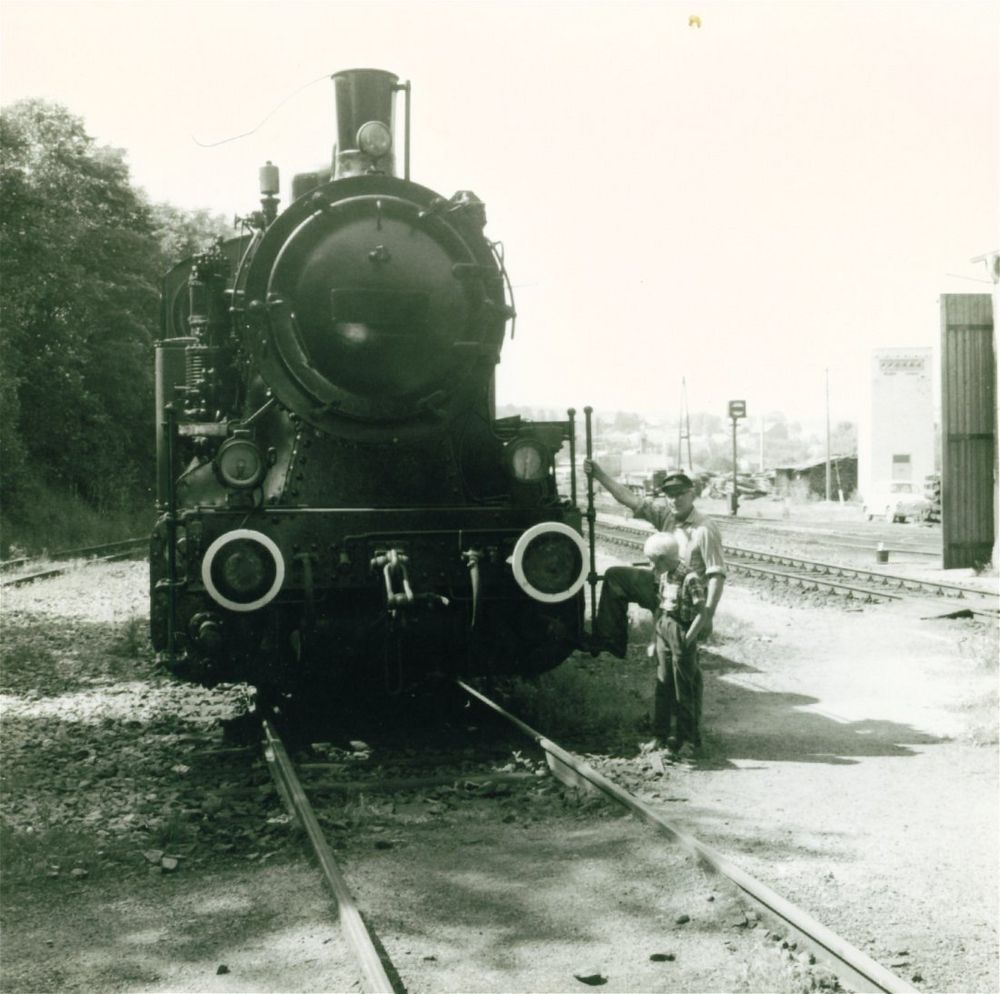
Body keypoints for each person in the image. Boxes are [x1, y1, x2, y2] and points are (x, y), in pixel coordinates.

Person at [582, 463, 726, 655]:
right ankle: (609, 641)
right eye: (670, 495)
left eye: (681, 494)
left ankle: (665, 644)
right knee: (615, 576)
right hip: (662, 586)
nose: (675, 500)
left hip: (686, 597)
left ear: (692, 495)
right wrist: (599, 474)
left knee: (670, 656)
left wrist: (708, 615)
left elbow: (717, 575)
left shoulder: (705, 529)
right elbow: (629, 499)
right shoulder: (666, 516)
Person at [643, 532, 706, 759]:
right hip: (664, 630)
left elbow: (702, 613)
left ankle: (688, 739)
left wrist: (687, 640)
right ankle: (659, 736)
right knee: (663, 686)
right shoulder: (664, 576)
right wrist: (654, 639)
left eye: (653, 560)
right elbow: (660, 609)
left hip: (682, 632)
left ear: (664, 558)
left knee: (684, 690)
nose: (651, 566)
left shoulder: (689, 578)